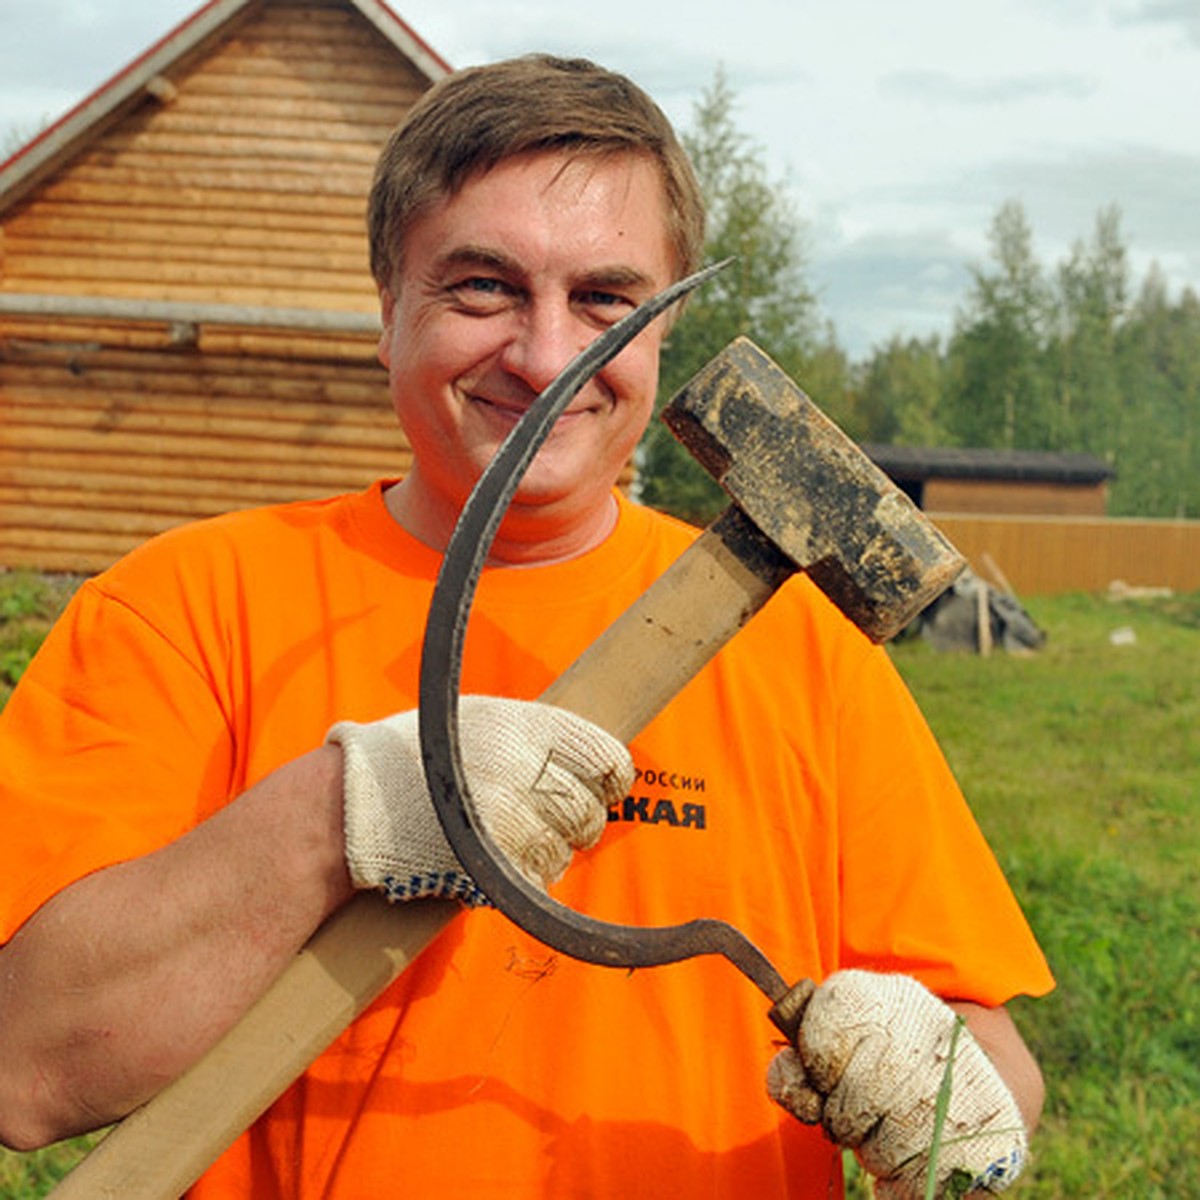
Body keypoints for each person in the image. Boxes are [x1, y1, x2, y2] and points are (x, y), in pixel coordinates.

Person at [0, 54, 1052, 1198]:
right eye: (483, 286)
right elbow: (27, 1068)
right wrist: (344, 814)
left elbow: (988, 1058)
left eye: (607, 299)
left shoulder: (804, 651)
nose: (550, 357)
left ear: (665, 330)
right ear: (387, 312)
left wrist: (944, 1090)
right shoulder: (184, 611)